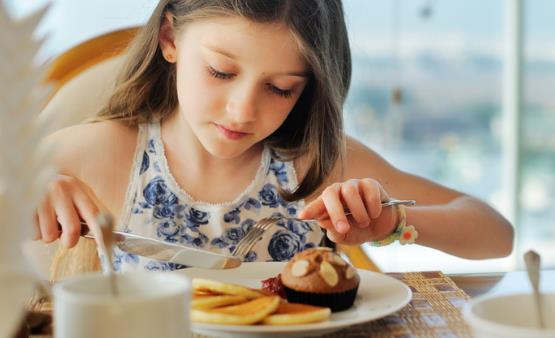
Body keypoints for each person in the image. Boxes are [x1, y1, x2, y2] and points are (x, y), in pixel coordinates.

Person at [37, 0, 513, 272]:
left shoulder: (312, 162)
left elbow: (495, 232)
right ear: (170, 38)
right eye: (221, 72)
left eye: (280, 88)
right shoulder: (105, 152)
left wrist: (391, 225)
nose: (243, 110)